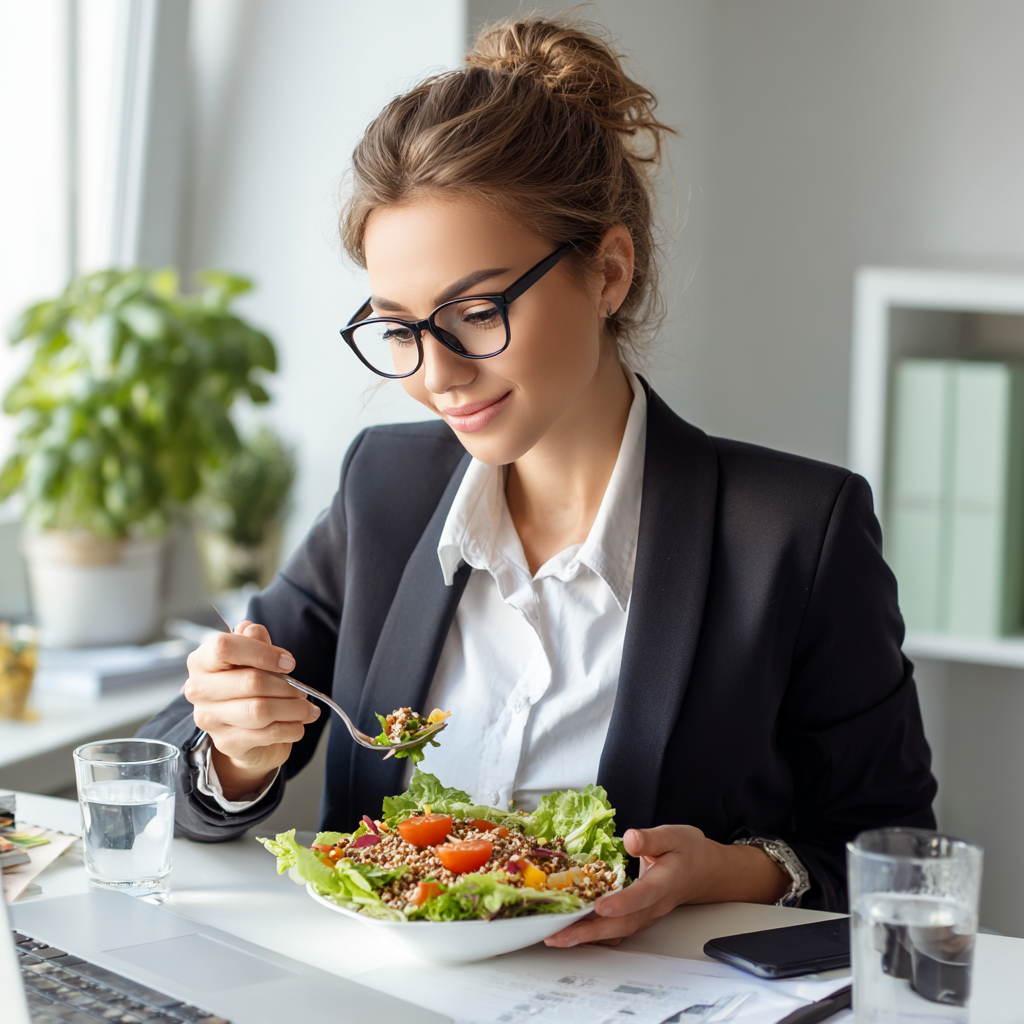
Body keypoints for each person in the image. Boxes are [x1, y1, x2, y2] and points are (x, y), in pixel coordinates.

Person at [139, 15, 936, 945]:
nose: (434, 375)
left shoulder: (795, 532)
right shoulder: (383, 489)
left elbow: (896, 856)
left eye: (475, 314)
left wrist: (732, 871)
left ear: (607, 271)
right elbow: (165, 771)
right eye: (398, 329)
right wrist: (235, 751)